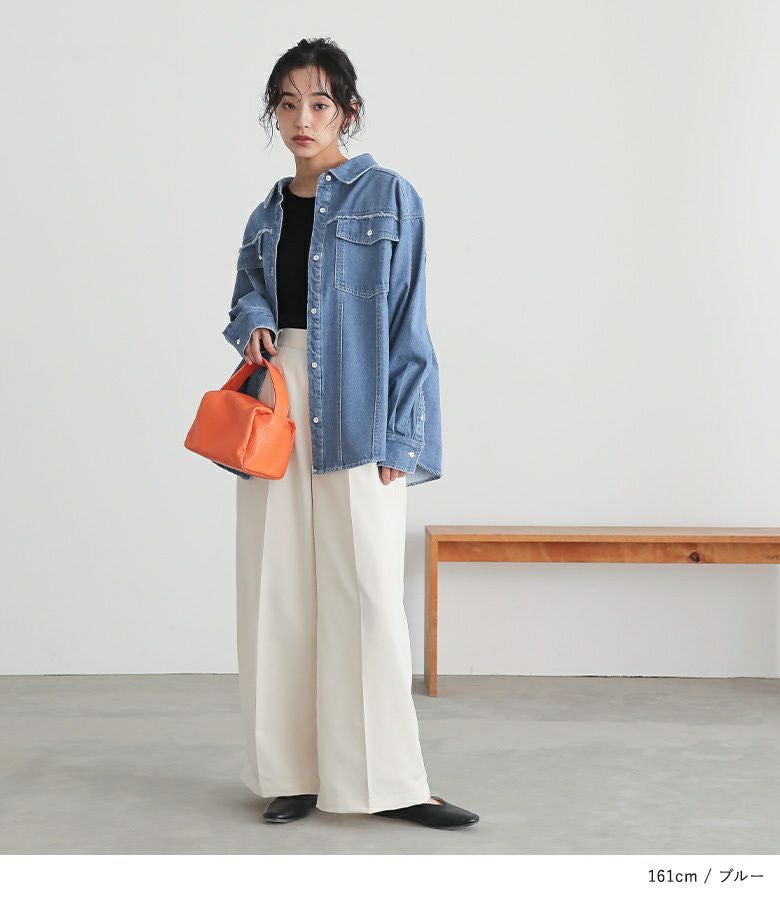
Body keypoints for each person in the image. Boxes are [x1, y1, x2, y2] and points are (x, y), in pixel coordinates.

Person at [221, 37, 478, 829]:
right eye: (287, 104)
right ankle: (291, 775)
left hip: (360, 406)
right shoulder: (266, 212)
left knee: (368, 594)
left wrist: (406, 436)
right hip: (279, 404)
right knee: (276, 592)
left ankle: (393, 782)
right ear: (274, 114)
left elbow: (409, 321)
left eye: (320, 103)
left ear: (348, 112)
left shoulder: (389, 196)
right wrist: (254, 322)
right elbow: (246, 297)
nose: (302, 118)